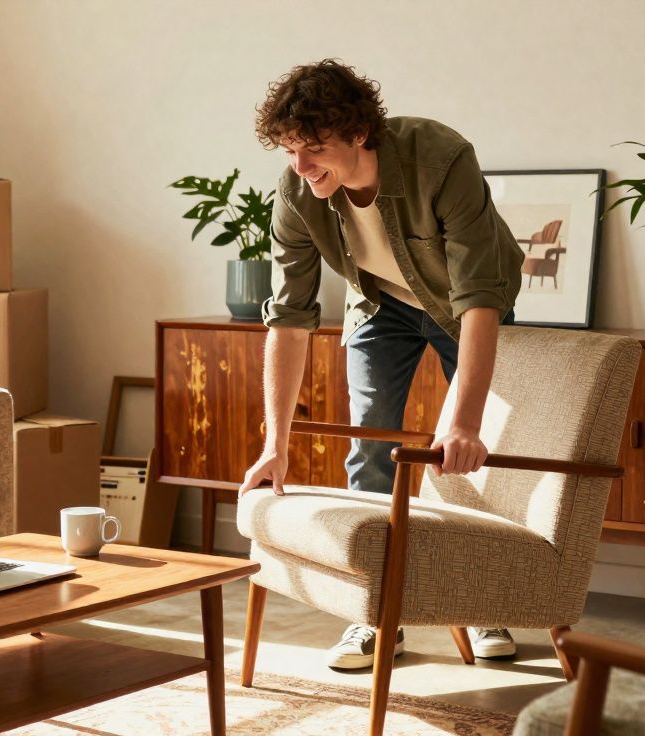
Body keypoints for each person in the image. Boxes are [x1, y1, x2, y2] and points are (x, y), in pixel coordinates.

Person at [238, 59, 524, 669]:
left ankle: (482, 603)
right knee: (371, 448)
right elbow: (289, 320)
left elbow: (478, 297)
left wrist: (464, 421)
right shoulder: (296, 193)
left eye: (314, 148)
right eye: (289, 150)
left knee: (466, 458)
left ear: (359, 133)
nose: (300, 166)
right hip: (379, 302)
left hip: (464, 306)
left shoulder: (441, 158)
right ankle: (372, 616)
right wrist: (275, 444)